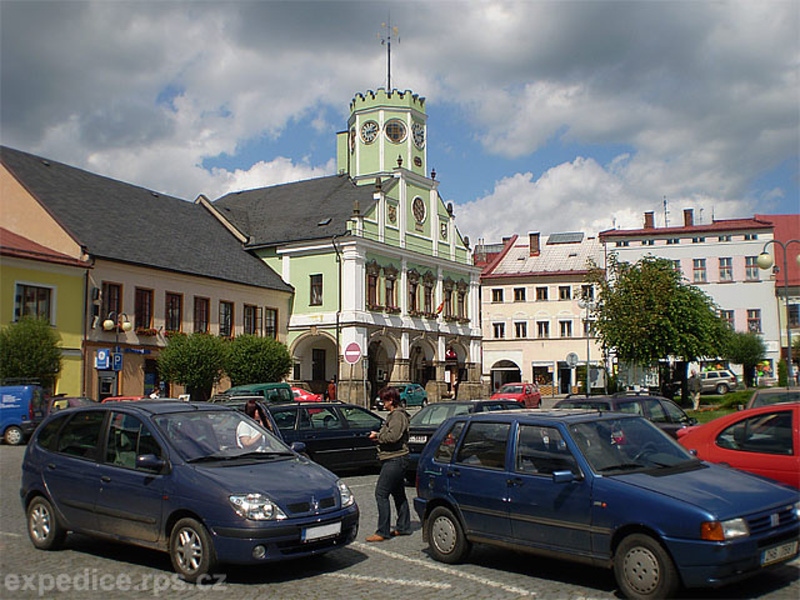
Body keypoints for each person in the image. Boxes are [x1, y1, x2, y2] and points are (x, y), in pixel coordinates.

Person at [366, 386, 411, 542]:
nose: (382, 403)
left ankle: (382, 531)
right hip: (395, 458)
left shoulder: (397, 416)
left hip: (395, 459)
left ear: (391, 400)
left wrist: (377, 436)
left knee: (381, 493)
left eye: (384, 400)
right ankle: (404, 526)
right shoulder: (394, 415)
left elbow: (393, 437)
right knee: (398, 493)